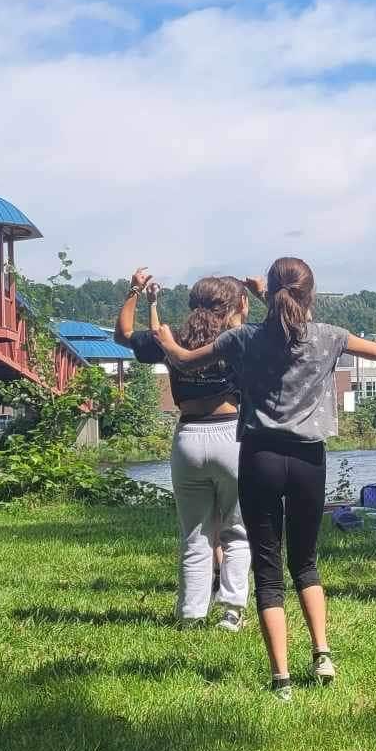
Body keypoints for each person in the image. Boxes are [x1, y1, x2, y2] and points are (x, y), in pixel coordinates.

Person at [147, 258, 376, 699]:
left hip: (258, 456)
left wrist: (165, 339)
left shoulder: (243, 338)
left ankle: (281, 680)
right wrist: (285, 305)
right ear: (309, 295)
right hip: (307, 462)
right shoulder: (328, 336)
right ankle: (321, 652)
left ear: (271, 293)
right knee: (306, 562)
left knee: (268, 567)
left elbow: (185, 361)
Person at [116, 269, 251, 631]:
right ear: (235, 305)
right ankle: (232, 612)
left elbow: (123, 335)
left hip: (188, 437)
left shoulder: (170, 336)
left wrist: (135, 290)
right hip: (232, 437)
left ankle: (191, 615)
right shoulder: (239, 340)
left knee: (196, 534)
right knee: (237, 531)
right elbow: (287, 334)